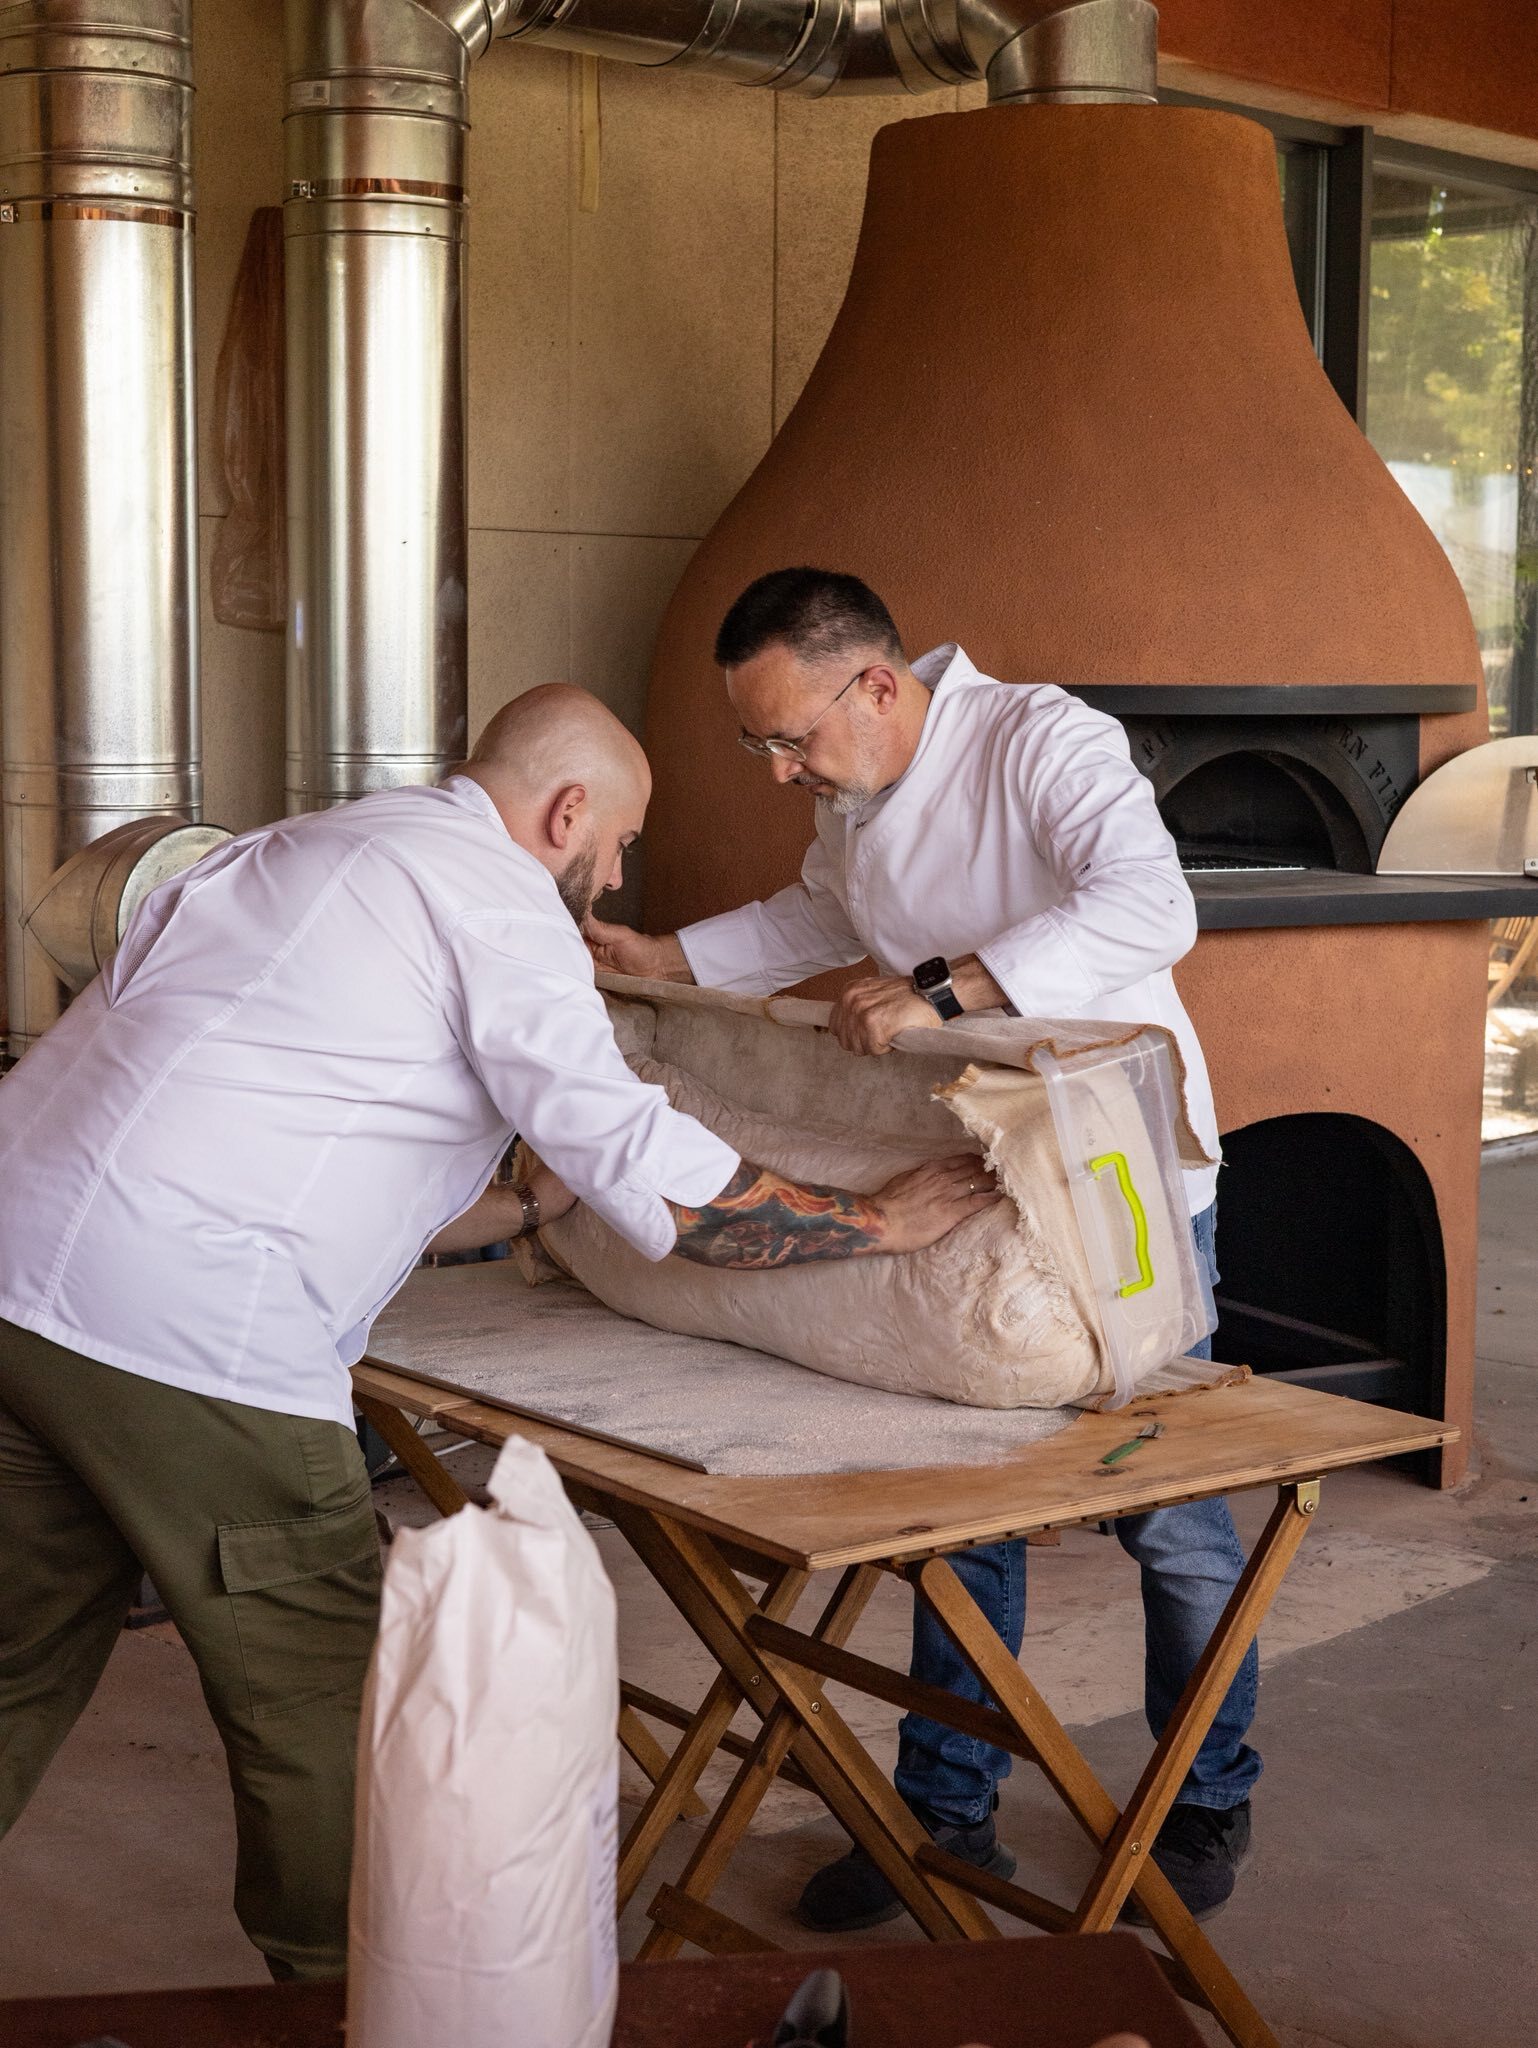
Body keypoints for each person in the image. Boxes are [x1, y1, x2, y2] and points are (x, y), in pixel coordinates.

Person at [0, 684, 995, 1982]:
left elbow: (285, 1120)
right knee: (322, 1700)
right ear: (566, 812)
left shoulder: (304, 846)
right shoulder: (499, 904)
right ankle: (348, 1993)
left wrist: (531, 1206)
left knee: (15, 1658)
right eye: (619, 841)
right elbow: (678, 1196)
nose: (615, 872)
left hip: (21, 1278)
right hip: (191, 1331)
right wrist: (880, 1222)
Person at [588, 569, 1260, 1931]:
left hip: (1123, 1176)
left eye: (789, 739)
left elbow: (1150, 905)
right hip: (966, 1165)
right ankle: (946, 1814)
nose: (781, 770)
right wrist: (669, 957)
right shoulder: (855, 793)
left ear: (877, 686)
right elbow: (819, 914)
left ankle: (1203, 1795)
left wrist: (947, 988)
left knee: (1168, 1516)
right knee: (959, 1512)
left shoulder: (1038, 737)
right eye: (762, 746)